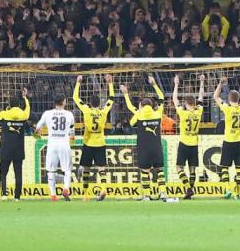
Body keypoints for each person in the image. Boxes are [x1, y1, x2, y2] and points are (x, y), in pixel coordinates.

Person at [122, 75, 170, 201]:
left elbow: (129, 110)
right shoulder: (157, 113)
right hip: (156, 147)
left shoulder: (138, 114)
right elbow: (161, 98)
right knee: (159, 170)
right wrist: (154, 84)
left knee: (145, 171)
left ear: (141, 106)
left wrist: (126, 94)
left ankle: (147, 195)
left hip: (144, 148)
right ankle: (163, 193)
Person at [73, 73, 115, 202]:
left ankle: (86, 195)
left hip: (88, 143)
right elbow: (111, 99)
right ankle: (103, 188)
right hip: (100, 142)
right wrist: (110, 83)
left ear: (90, 103)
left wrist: (78, 82)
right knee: (102, 168)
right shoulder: (103, 111)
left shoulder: (86, 109)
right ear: (99, 103)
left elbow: (75, 97)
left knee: (86, 168)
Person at [0, 87, 30, 201]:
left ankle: (3, 195)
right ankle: (17, 197)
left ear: (10, 105)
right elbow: (28, 109)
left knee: (3, 172)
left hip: (6, 148)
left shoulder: (5, 114)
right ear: (19, 105)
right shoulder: (23, 115)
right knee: (18, 174)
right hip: (18, 149)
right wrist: (25, 98)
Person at [213, 76, 240, 199]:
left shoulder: (227, 108)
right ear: (238, 98)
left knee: (224, 167)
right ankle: (238, 192)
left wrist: (220, 84)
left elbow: (216, 97)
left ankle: (228, 189)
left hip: (228, 141)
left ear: (229, 99)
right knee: (239, 168)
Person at [172, 73, 206, 200]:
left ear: (186, 103)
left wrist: (176, 84)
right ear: (194, 102)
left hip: (184, 143)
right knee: (192, 170)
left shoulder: (182, 112)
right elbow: (201, 96)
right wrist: (202, 82)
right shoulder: (199, 111)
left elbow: (175, 99)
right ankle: (190, 193)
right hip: (194, 144)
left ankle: (188, 189)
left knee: (179, 167)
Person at [35, 97, 75, 202]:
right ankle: (66, 188)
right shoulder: (69, 114)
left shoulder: (47, 113)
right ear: (63, 102)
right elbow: (72, 131)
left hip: (52, 144)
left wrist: (38, 135)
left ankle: (53, 195)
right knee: (67, 169)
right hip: (64, 143)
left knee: (51, 170)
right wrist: (72, 138)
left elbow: (38, 126)